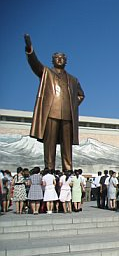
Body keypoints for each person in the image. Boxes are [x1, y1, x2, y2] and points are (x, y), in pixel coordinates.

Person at [24, 34, 85, 171]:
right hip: (51, 112)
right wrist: (30, 50)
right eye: (57, 58)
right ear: (52, 60)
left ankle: (68, 169)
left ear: (66, 61)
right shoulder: (46, 73)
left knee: (67, 145)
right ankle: (49, 168)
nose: (60, 59)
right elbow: (35, 64)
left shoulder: (73, 80)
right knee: (49, 143)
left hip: (68, 115)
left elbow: (81, 95)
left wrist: (72, 105)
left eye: (62, 58)